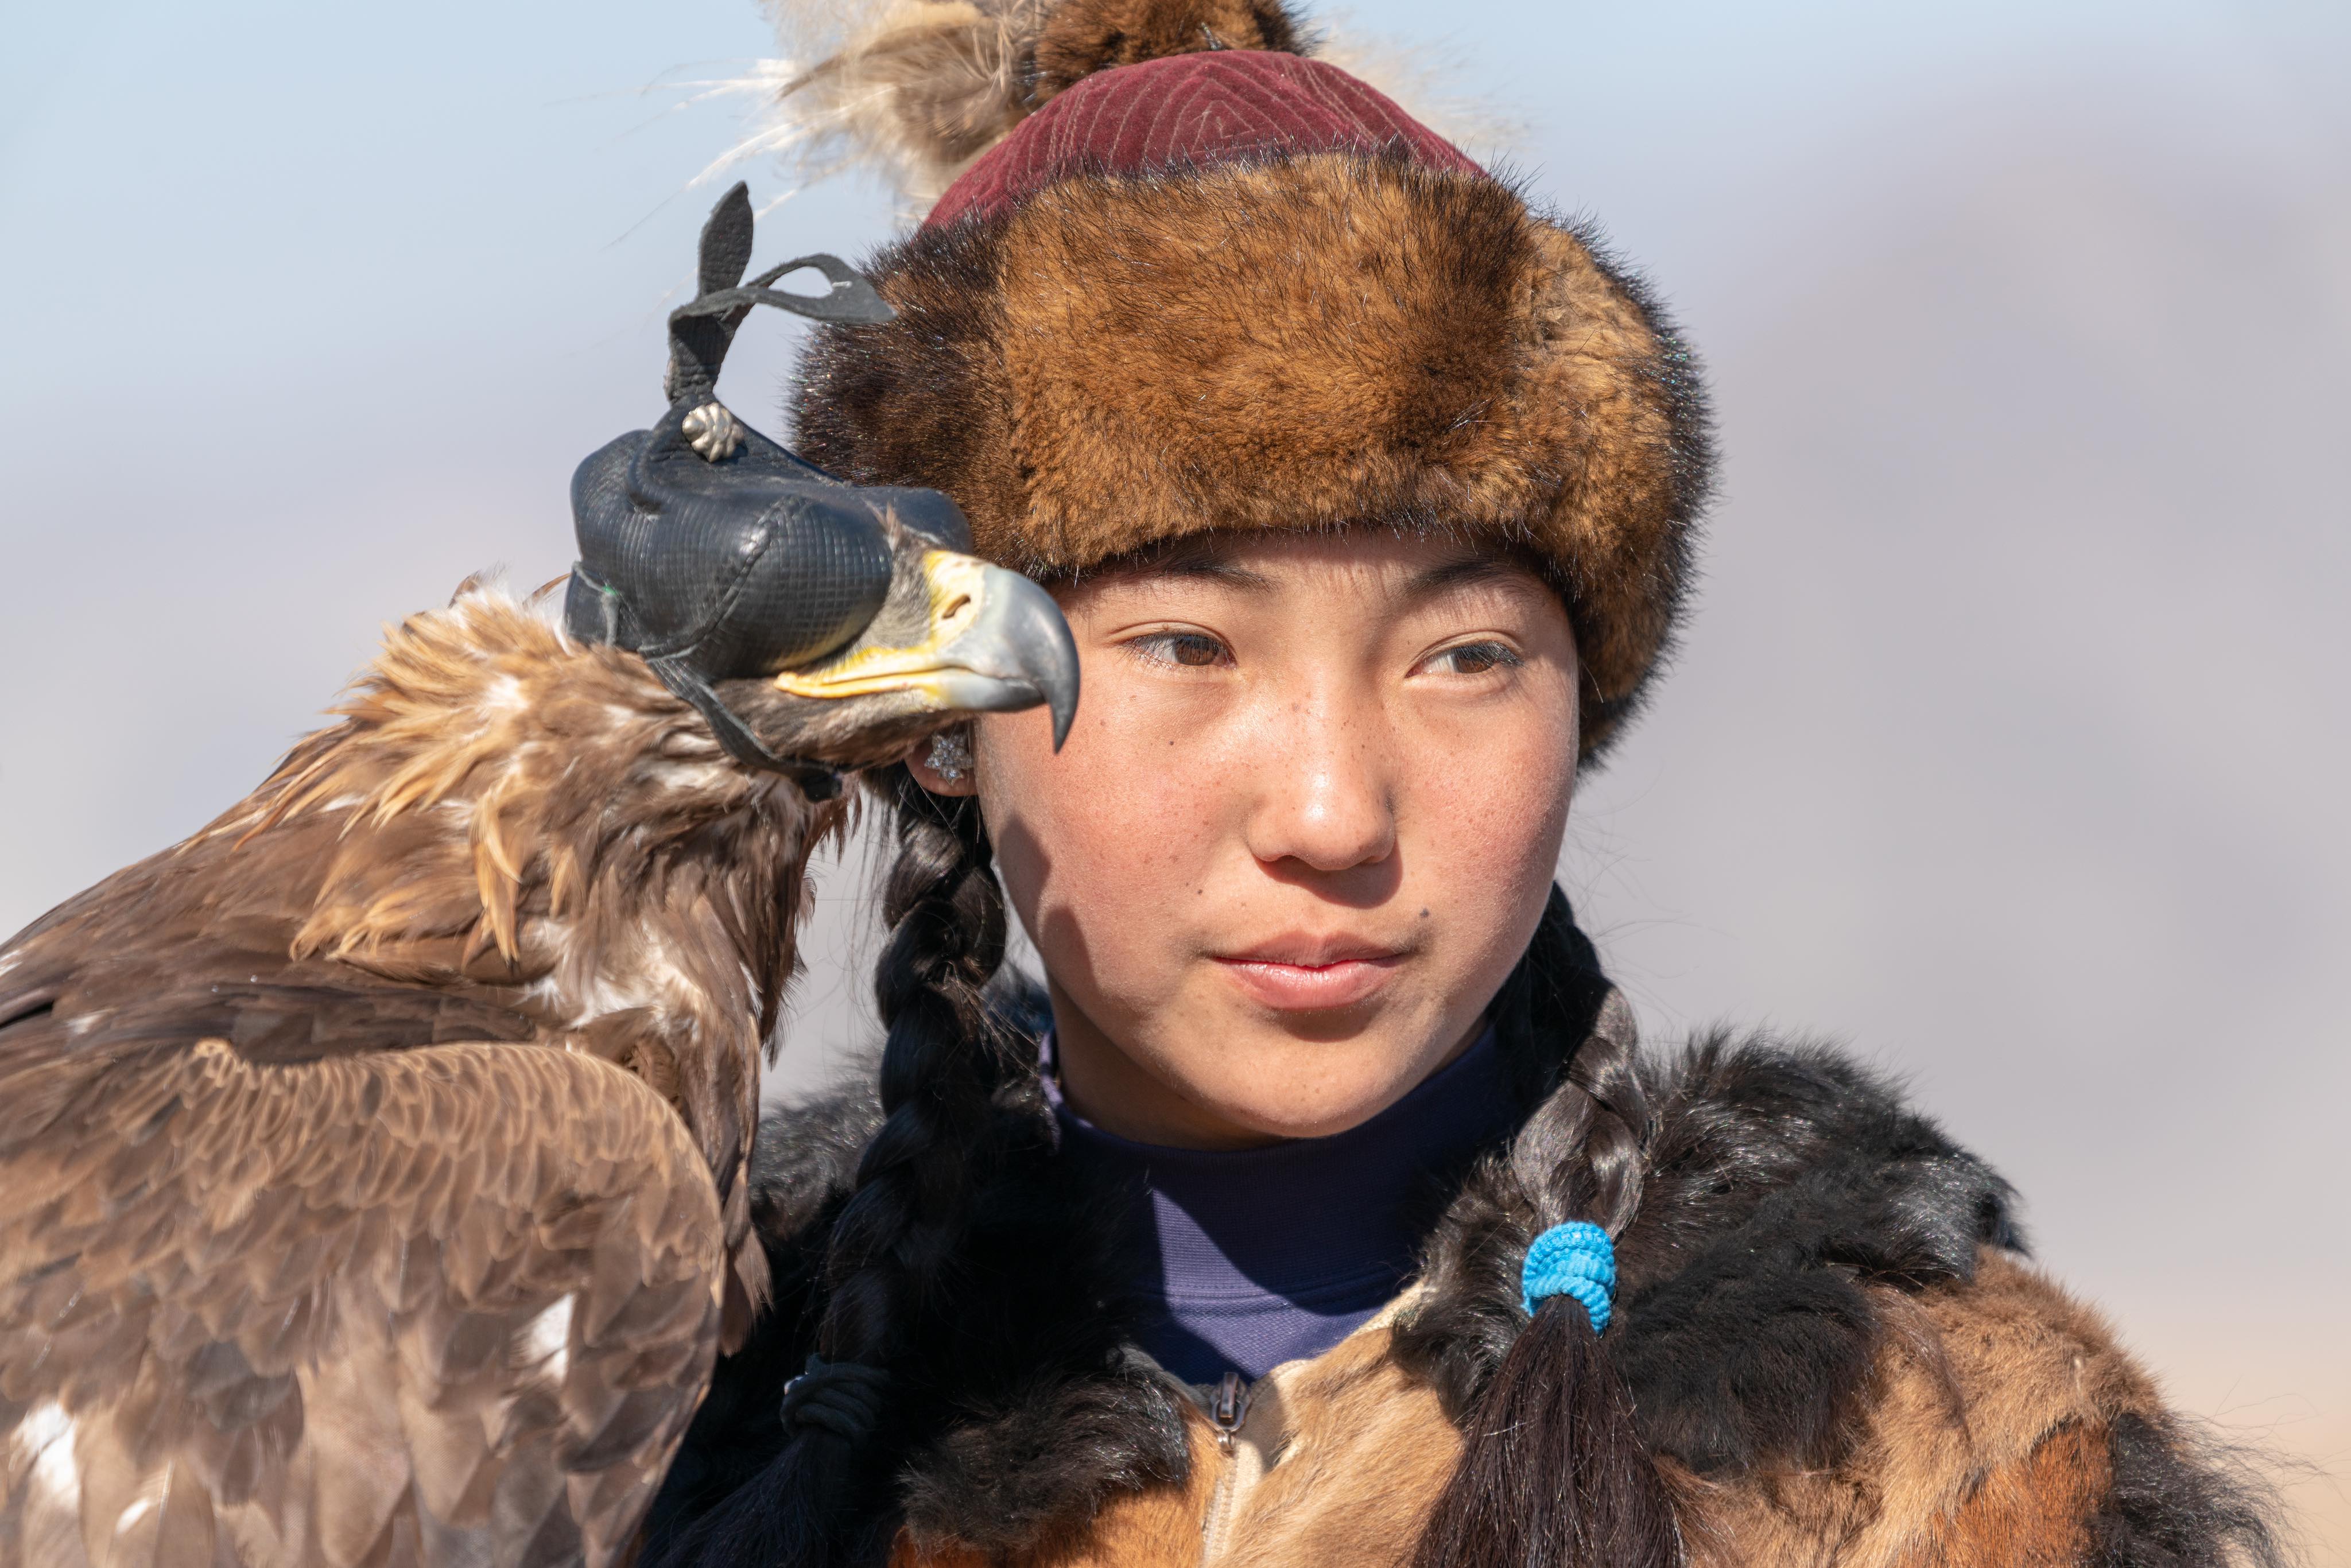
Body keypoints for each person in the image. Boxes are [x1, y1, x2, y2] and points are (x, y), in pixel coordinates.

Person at [646, 3, 2287, 1564]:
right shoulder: (663, 1388)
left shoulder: (1924, 1451)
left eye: (1462, 657)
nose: (1334, 813)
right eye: (1188, 648)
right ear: (942, 719)